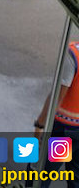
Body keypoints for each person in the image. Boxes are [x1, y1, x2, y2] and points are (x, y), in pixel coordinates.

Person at [34, 41, 79, 187]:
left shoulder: (74, 55)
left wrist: (40, 124)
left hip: (65, 130)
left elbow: (57, 96)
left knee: (39, 173)